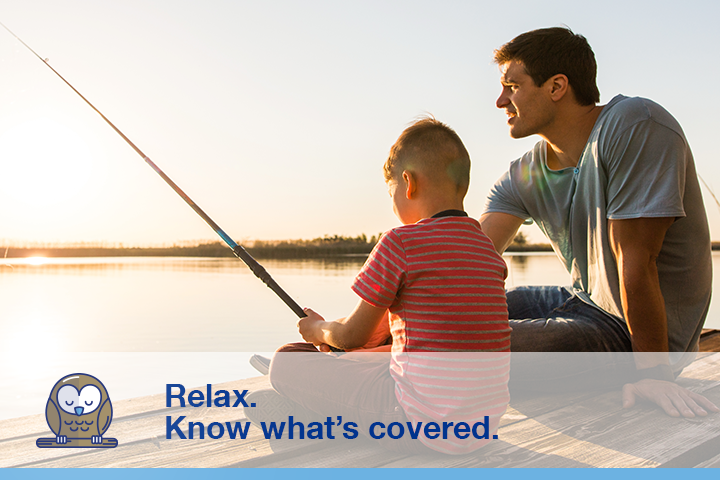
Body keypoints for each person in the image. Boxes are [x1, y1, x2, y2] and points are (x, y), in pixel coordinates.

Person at [480, 26, 719, 417]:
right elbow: (467, 263)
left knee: (462, 348)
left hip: (634, 336)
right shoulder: (525, 173)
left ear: (557, 86)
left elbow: (636, 261)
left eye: (512, 85)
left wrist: (654, 373)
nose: (500, 100)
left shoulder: (634, 125)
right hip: (581, 303)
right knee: (447, 315)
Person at [245, 117, 511, 454]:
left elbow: (352, 337)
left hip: (417, 424)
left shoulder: (401, 242)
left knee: (287, 360)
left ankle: (309, 419)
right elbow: (392, 332)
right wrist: (340, 336)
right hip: (483, 424)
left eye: (392, 192)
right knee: (375, 352)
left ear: (408, 183)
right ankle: (324, 402)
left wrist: (318, 330)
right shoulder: (484, 247)